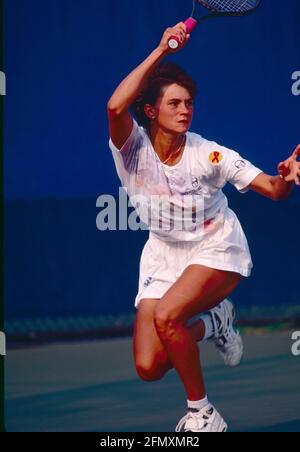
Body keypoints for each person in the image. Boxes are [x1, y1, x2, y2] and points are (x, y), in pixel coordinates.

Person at [107, 23, 299, 432]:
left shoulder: (209, 154)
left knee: (170, 315)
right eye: (174, 103)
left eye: (189, 103)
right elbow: (114, 107)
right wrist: (161, 50)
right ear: (151, 111)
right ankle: (215, 322)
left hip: (215, 247)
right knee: (148, 365)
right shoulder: (132, 150)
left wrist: (287, 177)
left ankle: (203, 414)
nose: (184, 110)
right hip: (163, 254)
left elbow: (273, 190)